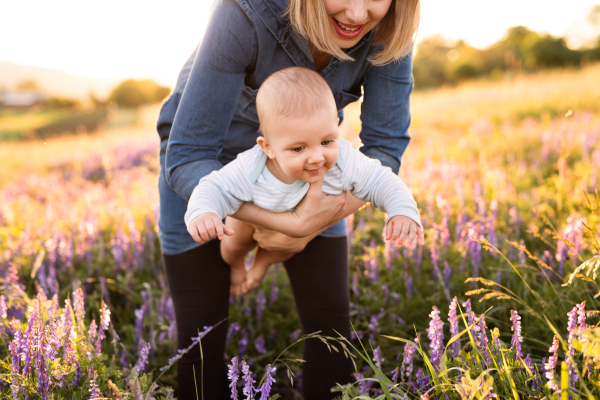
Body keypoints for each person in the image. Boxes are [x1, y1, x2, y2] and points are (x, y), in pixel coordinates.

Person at [156, 0, 420, 397]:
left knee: (333, 332)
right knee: (200, 340)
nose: (357, 14)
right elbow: (189, 156)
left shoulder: (390, 29)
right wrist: (288, 224)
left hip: (312, 172)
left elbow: (384, 148)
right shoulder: (246, 11)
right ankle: (238, 257)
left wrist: (314, 220)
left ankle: (253, 262)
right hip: (207, 175)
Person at [185, 67, 424, 295]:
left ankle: (262, 263)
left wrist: (401, 210)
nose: (317, 157)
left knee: (289, 247)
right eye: (299, 148)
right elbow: (213, 187)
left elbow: (381, 180)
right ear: (268, 148)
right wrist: (204, 211)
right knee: (233, 244)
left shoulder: (345, 158)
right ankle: (237, 265)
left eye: (327, 141)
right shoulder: (250, 167)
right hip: (255, 210)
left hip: (297, 228)